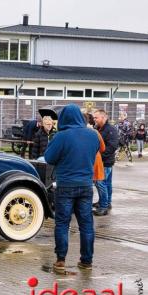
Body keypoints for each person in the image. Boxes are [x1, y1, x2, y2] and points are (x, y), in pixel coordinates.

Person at [44, 104, 100, 271]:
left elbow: (49, 158)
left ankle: (61, 260)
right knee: (86, 224)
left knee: (62, 223)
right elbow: (95, 152)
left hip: (66, 185)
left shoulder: (61, 136)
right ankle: (86, 261)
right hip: (86, 186)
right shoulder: (93, 135)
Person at [93, 109, 119, 216]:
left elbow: (112, 147)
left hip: (105, 162)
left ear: (104, 118)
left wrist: (98, 157)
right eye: (94, 117)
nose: (94, 119)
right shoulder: (98, 128)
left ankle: (104, 207)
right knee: (106, 184)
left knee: (100, 184)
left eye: (96, 117)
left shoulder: (111, 129)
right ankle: (106, 203)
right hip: (102, 162)